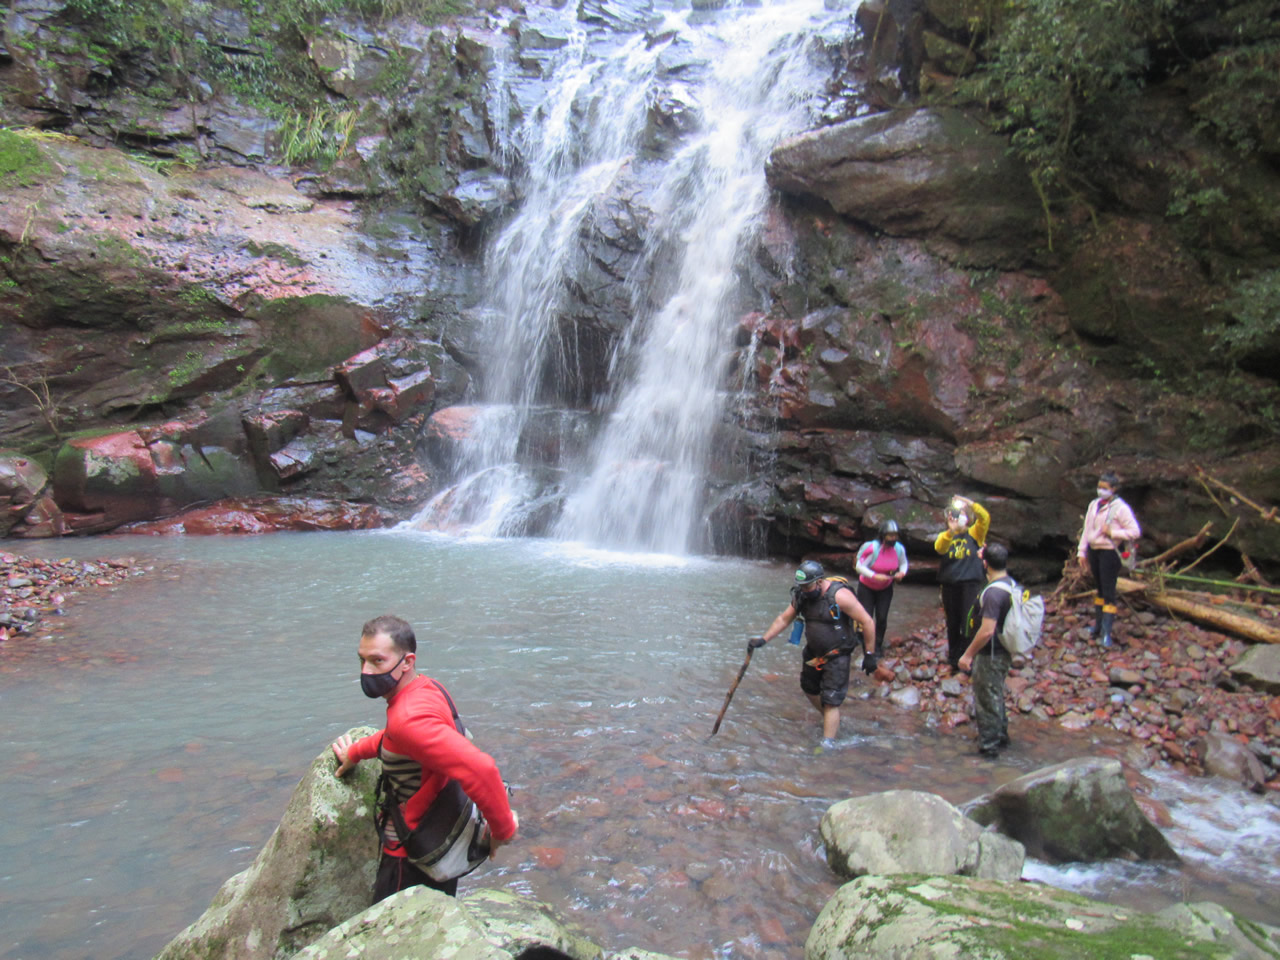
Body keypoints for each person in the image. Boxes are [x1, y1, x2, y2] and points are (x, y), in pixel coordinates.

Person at [331, 615, 518, 902]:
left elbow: (481, 769)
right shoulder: (425, 688)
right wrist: (355, 752)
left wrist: (501, 830)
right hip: (442, 835)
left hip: (412, 859)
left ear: (407, 661)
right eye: (362, 660)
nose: (366, 671)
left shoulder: (408, 718)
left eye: (377, 661)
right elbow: (396, 740)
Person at [749, 561, 878, 744]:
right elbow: (784, 619)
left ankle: (827, 745)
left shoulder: (840, 596)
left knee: (831, 700)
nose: (804, 590)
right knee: (809, 688)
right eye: (801, 586)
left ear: (819, 582)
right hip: (814, 653)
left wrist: (870, 654)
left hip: (837, 655)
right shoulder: (802, 596)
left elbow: (867, 621)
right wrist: (764, 639)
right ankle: (830, 719)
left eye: (807, 586)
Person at [957, 543, 1014, 758]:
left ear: (985, 564)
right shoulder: (1010, 584)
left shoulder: (993, 594)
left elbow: (987, 630)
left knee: (986, 699)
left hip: (990, 653)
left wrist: (967, 655)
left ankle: (989, 747)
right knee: (995, 693)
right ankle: (1001, 736)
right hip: (1003, 651)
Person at [1077, 471, 1141, 647]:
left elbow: (1135, 531)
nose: (1100, 491)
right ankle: (1097, 626)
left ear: (1113, 489)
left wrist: (1113, 532)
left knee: (1108, 591)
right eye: (1099, 487)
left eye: (1105, 488)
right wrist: (1081, 552)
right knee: (1098, 588)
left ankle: (1107, 632)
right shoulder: (1093, 505)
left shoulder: (1121, 508)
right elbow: (1086, 529)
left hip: (1109, 553)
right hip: (1094, 550)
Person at [934, 495, 989, 672]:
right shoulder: (945, 536)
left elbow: (985, 518)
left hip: (970, 584)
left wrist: (970, 503)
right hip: (950, 585)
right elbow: (939, 548)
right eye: (954, 514)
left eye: (961, 514)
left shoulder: (975, 534)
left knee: (969, 619)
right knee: (953, 621)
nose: (957, 517)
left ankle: (967, 655)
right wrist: (951, 530)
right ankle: (953, 656)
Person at [855, 519, 909, 657]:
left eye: (895, 535)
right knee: (866, 617)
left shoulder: (899, 549)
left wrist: (902, 573)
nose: (893, 538)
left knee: (882, 617)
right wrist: (874, 575)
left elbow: (903, 563)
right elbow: (859, 566)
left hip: (885, 588)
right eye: (890, 535)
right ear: (883, 535)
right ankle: (865, 642)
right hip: (866, 587)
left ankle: (877, 645)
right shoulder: (873, 548)